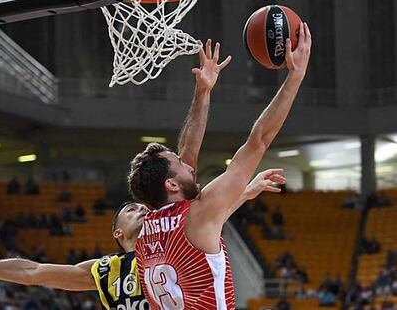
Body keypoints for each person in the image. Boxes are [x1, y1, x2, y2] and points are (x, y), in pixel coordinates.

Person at [0, 40, 285, 310]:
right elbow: (33, 272)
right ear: (117, 233)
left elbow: (188, 156)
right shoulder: (108, 272)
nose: (140, 208)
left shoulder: (172, 223)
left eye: (141, 205)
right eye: (129, 209)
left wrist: (202, 92)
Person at [128, 23, 311, 309]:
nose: (189, 166)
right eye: (180, 166)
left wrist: (203, 91)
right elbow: (258, 140)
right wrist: (295, 76)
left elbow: (187, 153)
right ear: (171, 185)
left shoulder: (146, 231)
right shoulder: (198, 213)